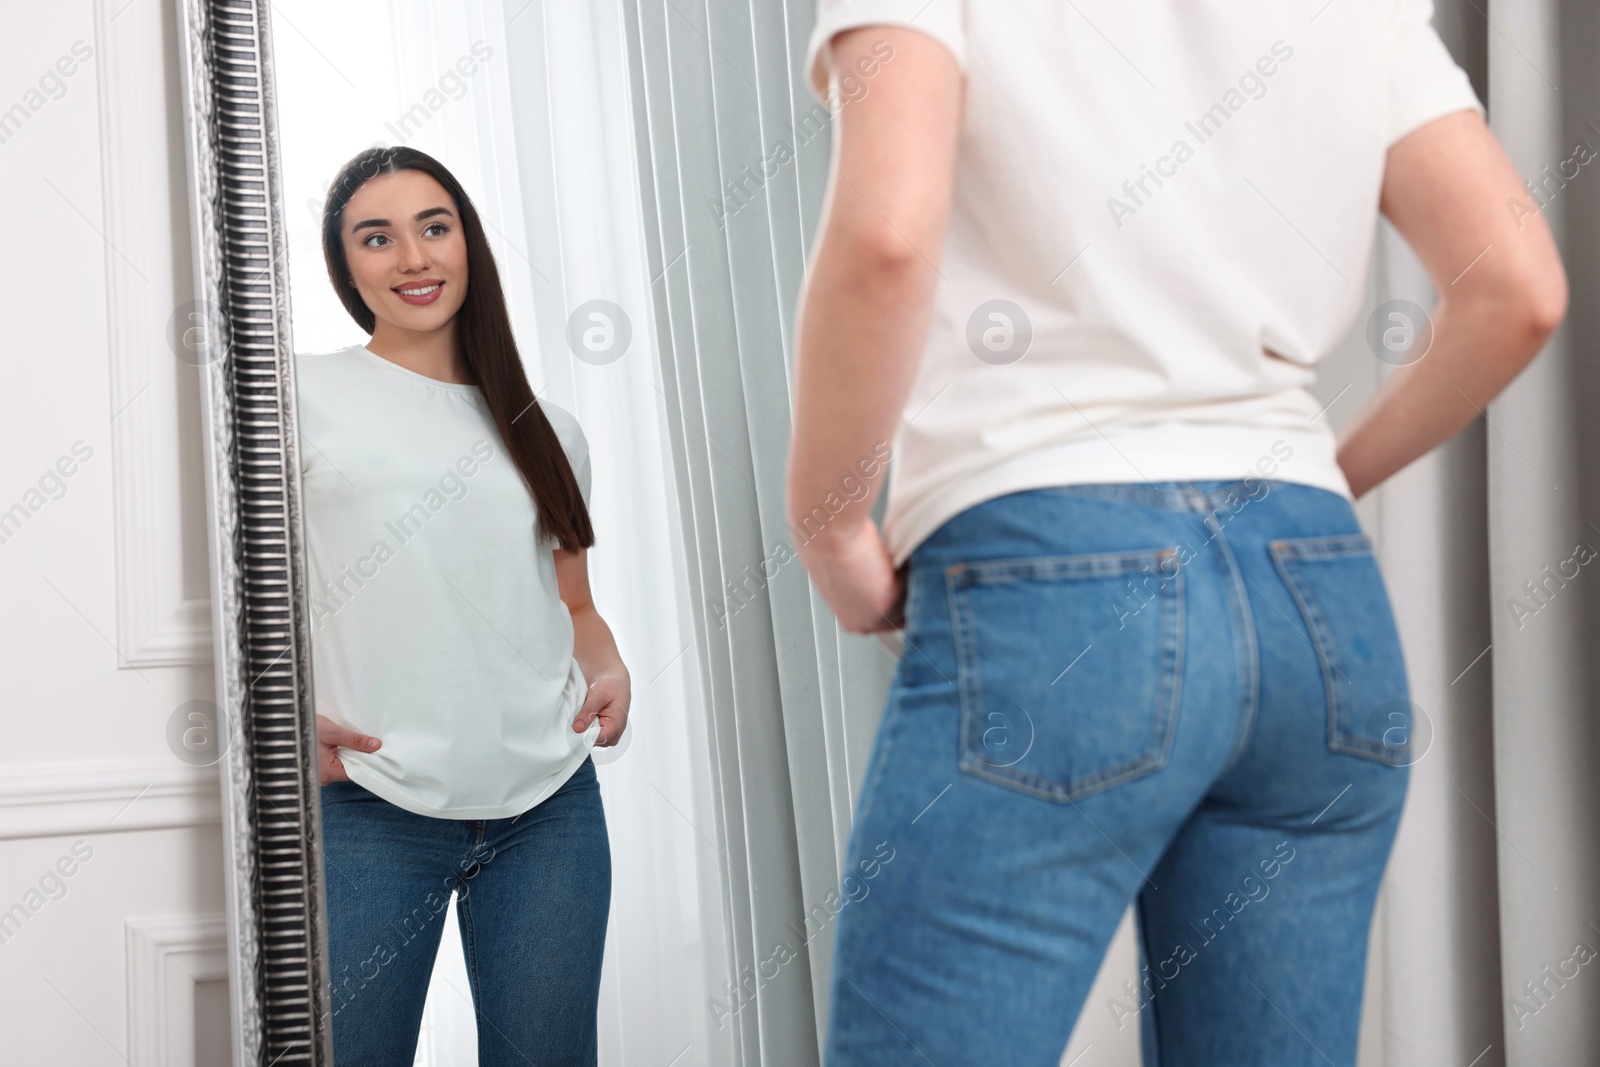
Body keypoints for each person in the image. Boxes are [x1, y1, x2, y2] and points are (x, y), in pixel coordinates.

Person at [788, 2, 1566, 1064]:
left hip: (1052, 572)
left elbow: (885, 235)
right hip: (1314, 594)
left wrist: (830, 518)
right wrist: (1313, 482)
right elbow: (1516, 288)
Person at [298, 146, 630, 1066]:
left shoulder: (547, 428)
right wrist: (281, 716)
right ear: (347, 265)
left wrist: (607, 666)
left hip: (551, 810)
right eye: (378, 236)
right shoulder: (297, 394)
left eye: (433, 227)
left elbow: (576, 606)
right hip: (369, 801)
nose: (413, 257)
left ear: (467, 244)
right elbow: (235, 601)